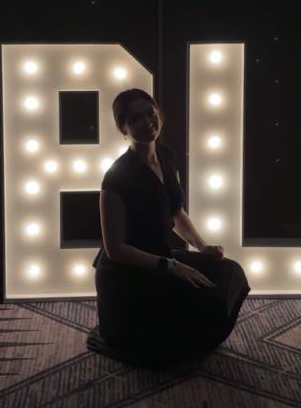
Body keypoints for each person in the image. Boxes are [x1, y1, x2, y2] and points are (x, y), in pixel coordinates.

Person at [91, 88, 250, 367]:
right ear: (123, 128)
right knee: (205, 304)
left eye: (150, 113)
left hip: (162, 257)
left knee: (230, 272)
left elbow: (175, 211)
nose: (147, 122)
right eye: (135, 118)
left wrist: (202, 246)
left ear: (159, 114)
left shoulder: (167, 156)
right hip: (127, 274)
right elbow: (114, 249)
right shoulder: (116, 178)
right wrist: (171, 266)